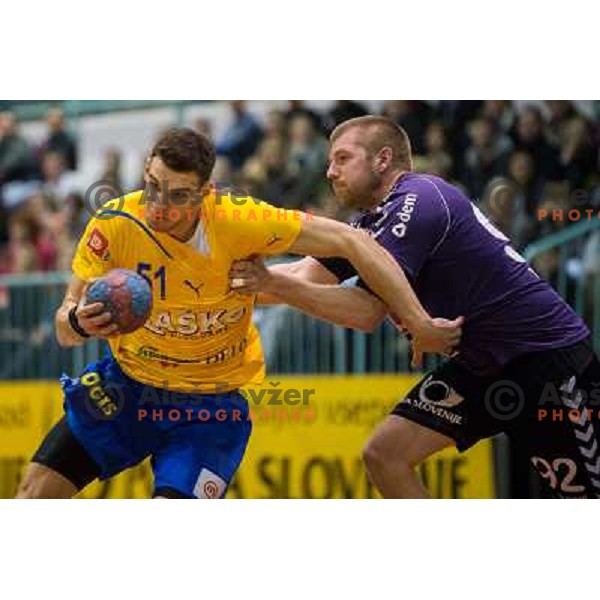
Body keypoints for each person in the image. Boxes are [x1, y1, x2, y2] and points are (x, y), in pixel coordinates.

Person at [16, 127, 460, 500]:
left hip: (208, 410)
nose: (158, 205)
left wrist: (418, 321)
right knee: (32, 496)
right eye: (151, 184)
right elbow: (63, 328)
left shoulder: (240, 221)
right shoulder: (114, 223)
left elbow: (353, 241)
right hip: (126, 388)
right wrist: (76, 321)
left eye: (177, 195)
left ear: (205, 194)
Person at [229, 115, 600, 499]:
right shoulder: (368, 226)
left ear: (382, 159)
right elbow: (302, 276)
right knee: (385, 456)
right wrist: (222, 281)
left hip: (545, 361)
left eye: (342, 159)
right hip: (482, 366)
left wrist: (271, 282)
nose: (329, 172)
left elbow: (365, 312)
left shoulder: (417, 199)